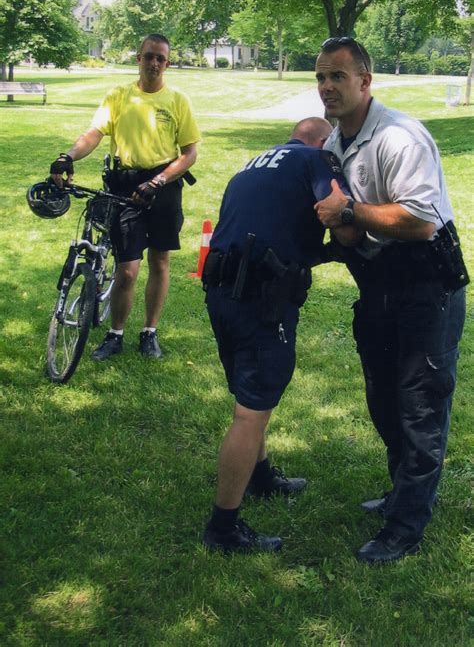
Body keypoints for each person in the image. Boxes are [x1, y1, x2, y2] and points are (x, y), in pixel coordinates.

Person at [314, 37, 468, 564]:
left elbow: (420, 221)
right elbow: (347, 229)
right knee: (383, 399)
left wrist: (350, 213)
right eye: (321, 77)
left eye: (338, 76)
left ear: (365, 81)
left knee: (419, 403)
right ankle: (403, 490)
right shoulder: (335, 144)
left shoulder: (399, 137)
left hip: (428, 284)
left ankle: (405, 526)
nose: (328, 87)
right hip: (379, 284)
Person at [202, 117, 360, 554]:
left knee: (252, 397)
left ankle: (260, 476)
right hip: (261, 298)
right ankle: (223, 528)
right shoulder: (316, 160)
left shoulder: (250, 165)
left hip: (221, 291)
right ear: (323, 141)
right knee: (250, 412)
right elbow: (344, 224)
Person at [50, 33, 201, 361]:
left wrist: (159, 180)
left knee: (160, 261)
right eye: (149, 56)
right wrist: (68, 157)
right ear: (138, 58)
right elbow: (93, 134)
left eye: (161, 58)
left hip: (164, 185)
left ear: (168, 63)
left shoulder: (177, 101)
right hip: (125, 187)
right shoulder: (119, 96)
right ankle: (116, 334)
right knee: (127, 268)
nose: (154, 63)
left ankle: (149, 332)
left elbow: (189, 154)